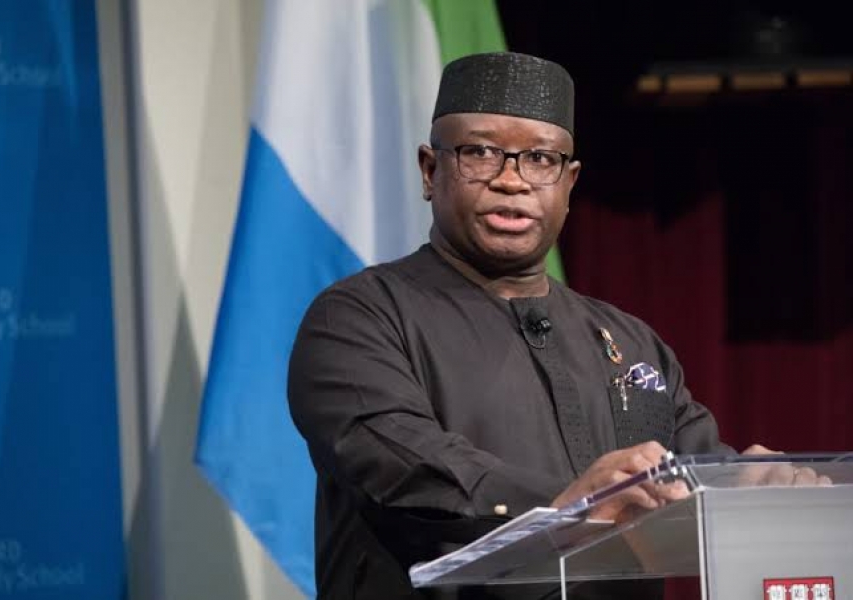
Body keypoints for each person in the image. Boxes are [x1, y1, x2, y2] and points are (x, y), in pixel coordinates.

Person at [287, 52, 802, 600]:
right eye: (481, 153)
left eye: (539, 158)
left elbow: (695, 470)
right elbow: (402, 466)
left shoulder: (631, 341)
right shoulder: (358, 318)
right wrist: (568, 508)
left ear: (568, 182)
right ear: (430, 171)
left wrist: (750, 488)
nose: (512, 181)